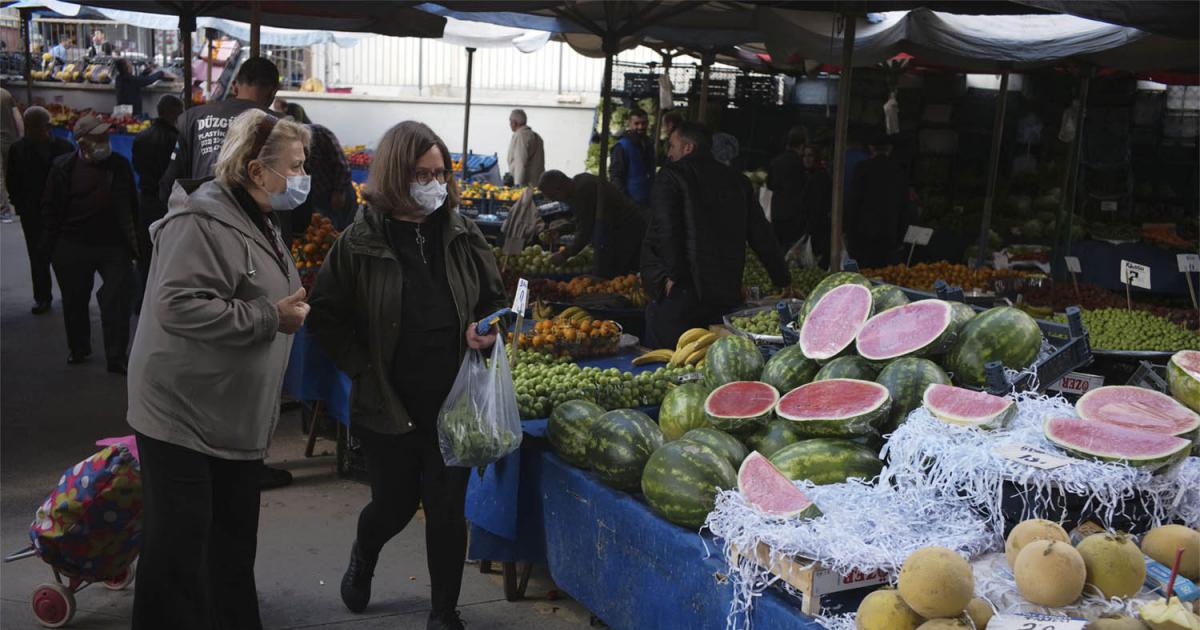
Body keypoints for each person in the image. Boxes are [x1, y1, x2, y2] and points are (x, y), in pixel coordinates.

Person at [307, 121, 506, 630]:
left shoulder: (462, 234)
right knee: (393, 506)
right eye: (422, 173)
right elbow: (326, 314)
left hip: (454, 399)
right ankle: (364, 551)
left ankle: (444, 613)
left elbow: (493, 301)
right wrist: (360, 368)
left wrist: (487, 330)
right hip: (389, 401)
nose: (435, 183)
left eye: (441, 173)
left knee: (446, 510)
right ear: (397, 174)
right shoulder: (357, 242)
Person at [126, 110, 311, 630]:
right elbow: (177, 306)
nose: (301, 177)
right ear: (256, 170)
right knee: (177, 556)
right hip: (182, 414)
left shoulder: (261, 216)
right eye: (294, 167)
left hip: (229, 416)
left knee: (229, 549)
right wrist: (269, 317)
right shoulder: (200, 221)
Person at [641, 122, 789, 349]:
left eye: (672, 145)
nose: (669, 152)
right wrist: (781, 278)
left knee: (668, 357)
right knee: (711, 360)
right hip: (724, 290)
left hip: (682, 291)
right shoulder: (738, 181)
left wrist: (672, 275)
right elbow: (762, 234)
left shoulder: (671, 176)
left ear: (688, 147)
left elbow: (666, 230)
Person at [41, 114, 140, 373]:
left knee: (117, 302)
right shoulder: (62, 167)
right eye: (98, 138)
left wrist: (136, 245)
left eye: (106, 137)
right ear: (82, 142)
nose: (105, 142)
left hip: (113, 245)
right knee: (74, 301)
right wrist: (50, 250)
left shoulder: (119, 165)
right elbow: (50, 209)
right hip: (72, 244)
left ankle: (116, 355)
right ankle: (79, 347)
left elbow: (131, 205)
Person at [158, 57, 280, 204]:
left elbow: (169, 185)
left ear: (235, 86)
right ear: (273, 92)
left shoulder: (193, 118)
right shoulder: (280, 125)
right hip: (253, 220)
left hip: (201, 214)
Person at [6, 106, 74, 313]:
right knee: (37, 256)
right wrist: (19, 205)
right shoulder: (18, 149)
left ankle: (71, 295)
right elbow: (13, 180)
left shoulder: (64, 148)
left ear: (47, 126)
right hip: (32, 211)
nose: (31, 130)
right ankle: (42, 297)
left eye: (36, 126)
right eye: (29, 126)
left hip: (60, 211)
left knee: (64, 255)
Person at [540, 169, 646, 278]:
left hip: (627, 229)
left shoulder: (583, 191)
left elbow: (585, 230)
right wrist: (560, 231)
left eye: (553, 197)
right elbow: (582, 219)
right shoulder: (578, 182)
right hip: (620, 229)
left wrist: (565, 254)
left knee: (616, 274)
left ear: (559, 188)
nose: (556, 200)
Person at [132, 94, 184, 276]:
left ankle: (141, 298)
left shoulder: (141, 137)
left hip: (146, 200)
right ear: (174, 112)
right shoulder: (177, 140)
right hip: (168, 203)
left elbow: (137, 166)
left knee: (146, 254)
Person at [845, 132, 912, 268]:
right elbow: (904, 207)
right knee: (885, 274)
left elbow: (853, 203)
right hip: (889, 234)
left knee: (865, 273)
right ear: (889, 148)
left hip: (863, 234)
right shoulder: (898, 171)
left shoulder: (862, 169)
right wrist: (901, 238)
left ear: (871, 148)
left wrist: (848, 233)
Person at [299, 123, 355, 231]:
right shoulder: (289, 144)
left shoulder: (319, 133)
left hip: (338, 190)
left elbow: (341, 163)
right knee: (327, 231)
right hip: (318, 196)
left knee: (347, 228)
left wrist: (339, 191)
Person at [767, 126, 809, 249]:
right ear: (802, 145)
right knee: (790, 249)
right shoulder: (800, 165)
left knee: (776, 246)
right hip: (794, 214)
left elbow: (770, 184)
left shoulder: (776, 161)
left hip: (777, 211)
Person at [797, 144, 834, 268]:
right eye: (805, 156)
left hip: (818, 230)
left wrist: (809, 230)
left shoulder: (820, 177)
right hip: (815, 228)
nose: (807, 159)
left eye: (810, 156)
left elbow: (817, 207)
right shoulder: (812, 176)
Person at [610, 107, 654, 206]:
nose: (640, 127)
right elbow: (616, 177)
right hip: (630, 204)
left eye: (644, 123)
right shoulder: (621, 147)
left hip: (648, 201)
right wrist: (626, 201)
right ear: (629, 124)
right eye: (636, 123)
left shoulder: (649, 144)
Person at [506, 108, 544, 187]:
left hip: (525, 186)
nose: (509, 124)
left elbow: (520, 162)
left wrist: (517, 186)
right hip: (537, 184)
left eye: (510, 121)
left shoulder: (520, 136)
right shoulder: (537, 136)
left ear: (515, 123)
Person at [0, 87, 22, 223]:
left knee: (0, 178)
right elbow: (17, 117)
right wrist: (22, 137)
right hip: (10, 141)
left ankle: (4, 211)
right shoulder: (5, 93)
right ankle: (16, 204)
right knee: (9, 174)